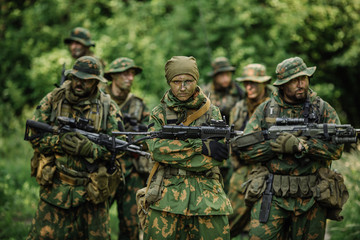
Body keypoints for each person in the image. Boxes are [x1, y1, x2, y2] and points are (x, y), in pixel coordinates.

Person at [231, 57, 346, 239]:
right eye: (294, 80)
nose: (300, 84)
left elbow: (336, 150)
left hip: (312, 196)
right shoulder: (265, 110)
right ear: (282, 85)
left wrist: (302, 146)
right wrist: (276, 147)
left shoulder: (323, 109)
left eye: (303, 78)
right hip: (271, 194)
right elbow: (246, 150)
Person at [27, 56, 124, 239]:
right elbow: (34, 135)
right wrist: (60, 143)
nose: (79, 83)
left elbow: (120, 148)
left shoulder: (108, 108)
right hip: (56, 187)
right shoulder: (53, 100)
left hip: (92, 191)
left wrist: (91, 150)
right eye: (76, 78)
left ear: (95, 82)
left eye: (86, 80)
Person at [143, 56, 233, 239]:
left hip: (208, 196)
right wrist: (200, 146)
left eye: (188, 81)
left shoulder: (211, 112)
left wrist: (176, 152)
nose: (182, 87)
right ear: (169, 82)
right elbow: (158, 151)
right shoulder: (159, 113)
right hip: (166, 195)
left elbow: (217, 157)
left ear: (196, 80)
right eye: (176, 82)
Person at [103, 57, 150, 240]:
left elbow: (149, 135)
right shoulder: (99, 100)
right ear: (113, 76)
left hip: (131, 172)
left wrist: (137, 140)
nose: (130, 78)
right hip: (103, 169)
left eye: (132, 74)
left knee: (131, 226)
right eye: (125, 73)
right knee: (94, 221)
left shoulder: (138, 104)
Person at [227, 63, 274, 238]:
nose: (249, 87)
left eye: (254, 83)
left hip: (270, 170)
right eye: (246, 83)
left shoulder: (275, 105)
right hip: (244, 169)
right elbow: (233, 140)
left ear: (263, 83)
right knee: (228, 221)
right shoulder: (238, 108)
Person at [202, 56, 244, 193]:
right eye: (221, 75)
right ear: (215, 76)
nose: (225, 78)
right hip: (212, 145)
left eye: (228, 74)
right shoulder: (205, 93)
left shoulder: (238, 92)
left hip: (234, 144)